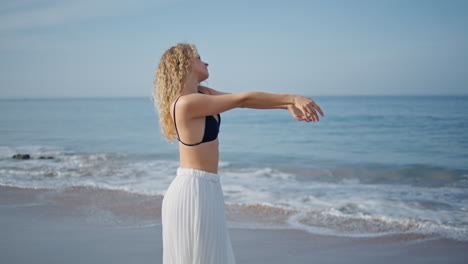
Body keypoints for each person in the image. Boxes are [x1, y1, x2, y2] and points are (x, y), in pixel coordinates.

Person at [153, 43, 324, 264]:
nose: (205, 62)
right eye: (198, 58)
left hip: (208, 187)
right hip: (193, 190)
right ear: (184, 64)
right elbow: (243, 99)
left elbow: (244, 102)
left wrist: (285, 106)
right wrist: (292, 97)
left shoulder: (201, 94)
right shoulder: (186, 103)